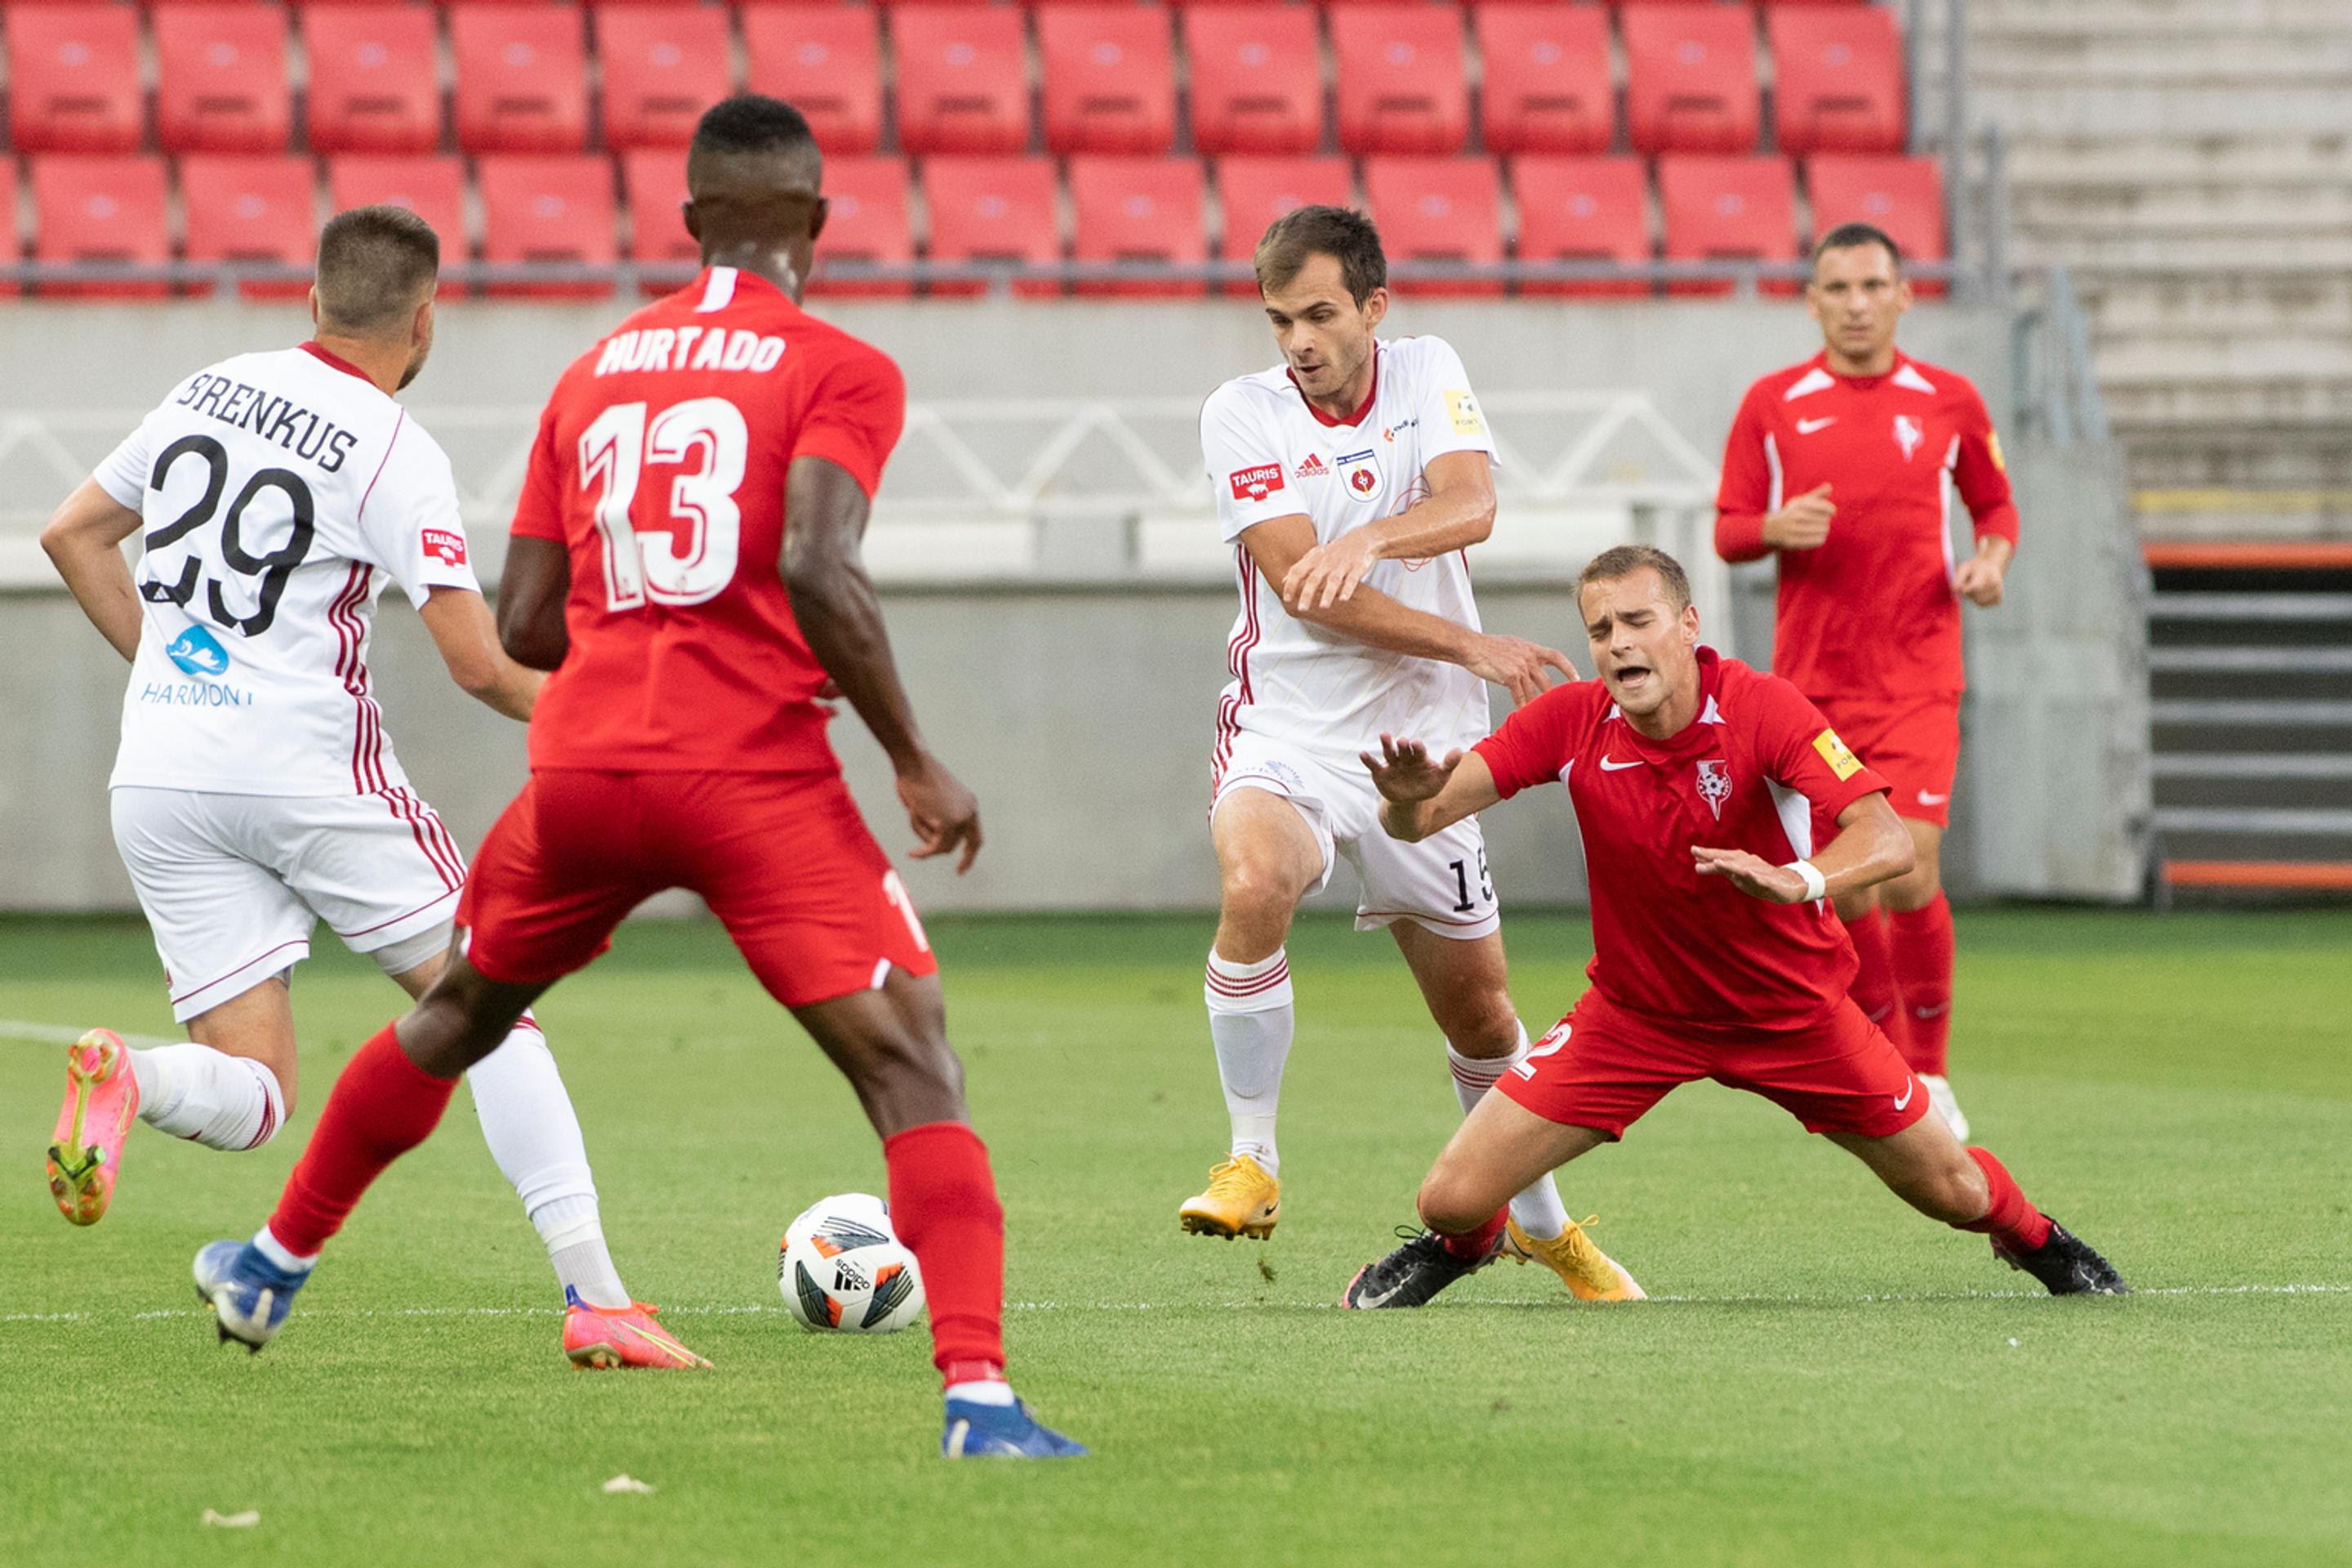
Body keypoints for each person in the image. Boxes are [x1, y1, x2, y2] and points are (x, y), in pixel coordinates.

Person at [185, 96, 1082, 1460]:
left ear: (689, 220)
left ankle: (268, 1261)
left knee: (463, 1010)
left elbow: (530, 621)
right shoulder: (839, 367)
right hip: (750, 777)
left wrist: (651, 621)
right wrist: (912, 752)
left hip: (588, 762)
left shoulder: (598, 367)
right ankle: (979, 1399)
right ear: (818, 226)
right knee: (913, 1069)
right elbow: (816, 564)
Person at [38, 205, 702, 1371]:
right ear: (426, 318)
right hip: (306, 775)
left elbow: (73, 535)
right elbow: (479, 664)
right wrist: (626, 718)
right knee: (495, 1007)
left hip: (162, 770)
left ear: (312, 300)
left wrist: (180, 673)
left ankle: (130, 1074)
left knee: (257, 1090)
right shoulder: (393, 447)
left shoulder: (208, 389)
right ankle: (598, 1296)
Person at [1343, 546, 2124, 1307]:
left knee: (1954, 1191)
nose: (1618, 644)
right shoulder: (1571, 722)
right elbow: (1421, 821)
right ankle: (1469, 1241)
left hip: (1793, 1013)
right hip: (1635, 1018)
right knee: (1449, 1196)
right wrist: (1407, 800)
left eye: (1637, 621)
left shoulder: (1761, 707)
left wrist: (1801, 878)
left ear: (1688, 625)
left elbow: (1885, 837)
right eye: (1601, 629)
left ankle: (2035, 1237)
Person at [1183, 204, 1640, 1306]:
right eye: (1280, 317)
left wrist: (1377, 534)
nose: (1298, 339)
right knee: (1256, 880)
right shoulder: (1240, 414)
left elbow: (1471, 502)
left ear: (1374, 309)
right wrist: (1469, 641)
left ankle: (1538, 1225)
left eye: (1322, 314)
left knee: (1482, 1016)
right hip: (1287, 729)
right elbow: (1307, 588)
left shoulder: (1428, 368)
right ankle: (1252, 1159)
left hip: (1425, 748)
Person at [1713, 222, 2020, 1140]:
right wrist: (1777, 528)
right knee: (1847, 887)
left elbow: (1994, 506)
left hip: (1920, 672)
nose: (1855, 303)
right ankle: (1887, 1064)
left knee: (1913, 858)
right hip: (1815, 688)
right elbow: (1729, 528)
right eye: (1837, 288)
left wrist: (1993, 561)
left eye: (1871, 286)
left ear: (1903, 296)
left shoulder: (1947, 400)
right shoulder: (1774, 402)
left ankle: (1930, 1071)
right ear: (1811, 300)